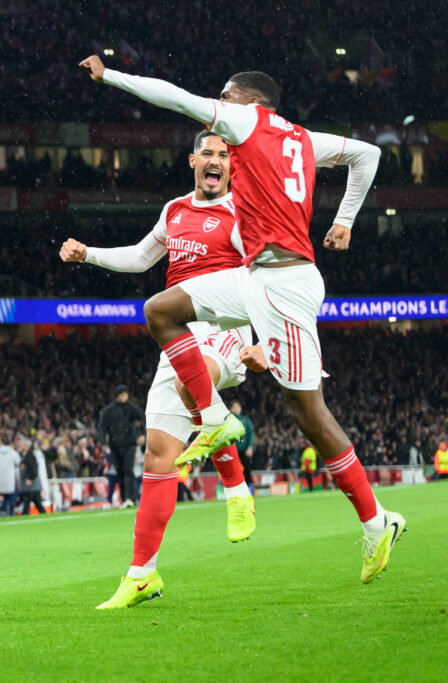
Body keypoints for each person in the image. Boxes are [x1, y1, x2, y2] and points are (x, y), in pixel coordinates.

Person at [79, 56, 404, 583]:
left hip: (285, 286)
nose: (219, 104)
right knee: (160, 310)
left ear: (249, 101)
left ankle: (375, 521)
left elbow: (177, 97)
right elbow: (367, 155)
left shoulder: (246, 121)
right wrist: (343, 222)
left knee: (309, 415)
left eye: (225, 95)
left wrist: (109, 77)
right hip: (254, 277)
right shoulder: (301, 138)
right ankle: (216, 422)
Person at [62, 130, 263, 607]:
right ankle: (142, 574)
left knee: (193, 383)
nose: (215, 161)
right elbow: (140, 257)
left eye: (224, 155)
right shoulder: (174, 210)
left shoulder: (242, 212)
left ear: (232, 165)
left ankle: (236, 487)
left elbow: (267, 278)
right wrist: (88, 253)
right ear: (193, 160)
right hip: (179, 333)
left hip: (224, 327)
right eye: (207, 153)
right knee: (157, 455)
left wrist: (267, 343)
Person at [96, 385, 144, 508]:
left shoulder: (129, 407)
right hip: (115, 446)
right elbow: (102, 428)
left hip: (129, 445)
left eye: (126, 394)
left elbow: (140, 415)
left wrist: (128, 404)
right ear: (117, 396)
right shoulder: (108, 411)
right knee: (120, 473)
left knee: (128, 470)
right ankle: (125, 499)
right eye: (122, 394)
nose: (124, 396)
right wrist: (103, 444)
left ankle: (130, 498)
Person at [230, 400, 255, 492]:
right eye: (234, 407)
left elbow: (250, 434)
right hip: (233, 450)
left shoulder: (246, 420)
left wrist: (250, 447)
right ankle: (234, 488)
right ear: (231, 409)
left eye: (238, 407)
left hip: (244, 449)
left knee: (247, 468)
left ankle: (246, 487)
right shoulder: (229, 420)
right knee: (233, 469)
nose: (236, 409)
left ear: (240, 408)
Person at [18, 437, 46, 515]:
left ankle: (25, 515)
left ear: (26, 445)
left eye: (22, 444)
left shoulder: (30, 455)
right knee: (36, 502)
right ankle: (43, 514)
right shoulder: (26, 454)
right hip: (31, 486)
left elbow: (34, 469)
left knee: (28, 503)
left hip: (31, 485)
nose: (20, 446)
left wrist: (29, 478)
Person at [0, 434, 21, 515]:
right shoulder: (12, 452)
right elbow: (18, 462)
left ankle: (3, 510)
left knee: (6, 496)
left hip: (1, 478)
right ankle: (10, 512)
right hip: (10, 477)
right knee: (12, 496)